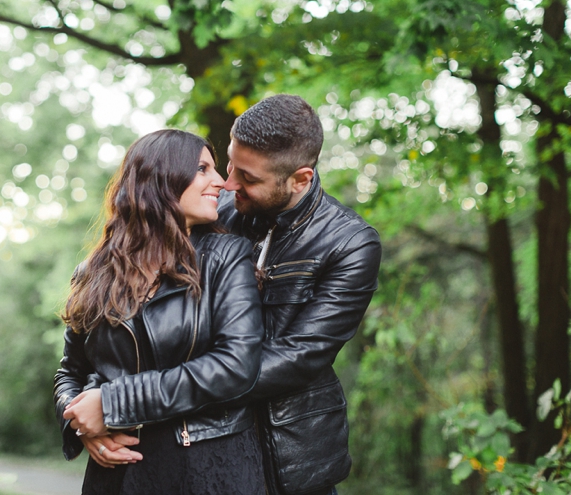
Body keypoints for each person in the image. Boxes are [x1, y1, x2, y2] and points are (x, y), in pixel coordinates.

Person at [53, 129, 265, 495]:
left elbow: (236, 364)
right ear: (160, 179)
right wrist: (81, 426)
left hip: (209, 468)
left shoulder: (226, 257)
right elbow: (69, 372)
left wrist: (112, 404)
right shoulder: (93, 272)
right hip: (116, 475)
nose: (219, 182)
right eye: (202, 169)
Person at [217, 94, 382, 495]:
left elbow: (299, 356)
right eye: (230, 165)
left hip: (294, 456)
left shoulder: (350, 243)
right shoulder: (215, 211)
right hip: (212, 445)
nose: (228, 184)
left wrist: (176, 388)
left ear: (301, 179)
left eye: (249, 178)